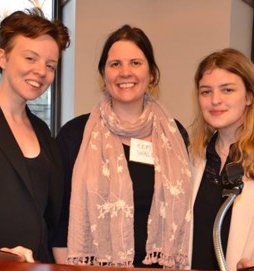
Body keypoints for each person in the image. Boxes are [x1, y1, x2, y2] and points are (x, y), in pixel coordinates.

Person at [52, 24, 192, 268]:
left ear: (152, 74)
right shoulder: (75, 135)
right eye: (115, 64)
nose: (125, 72)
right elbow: (60, 220)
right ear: (104, 74)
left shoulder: (175, 134)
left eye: (135, 63)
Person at [0, 8, 70, 263]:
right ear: (2, 58)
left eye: (50, 65)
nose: (41, 71)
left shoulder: (44, 133)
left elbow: (50, 219)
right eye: (31, 58)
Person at [189, 48, 254, 271]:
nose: (215, 100)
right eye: (206, 92)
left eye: (227, 90)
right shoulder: (195, 156)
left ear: (249, 96)